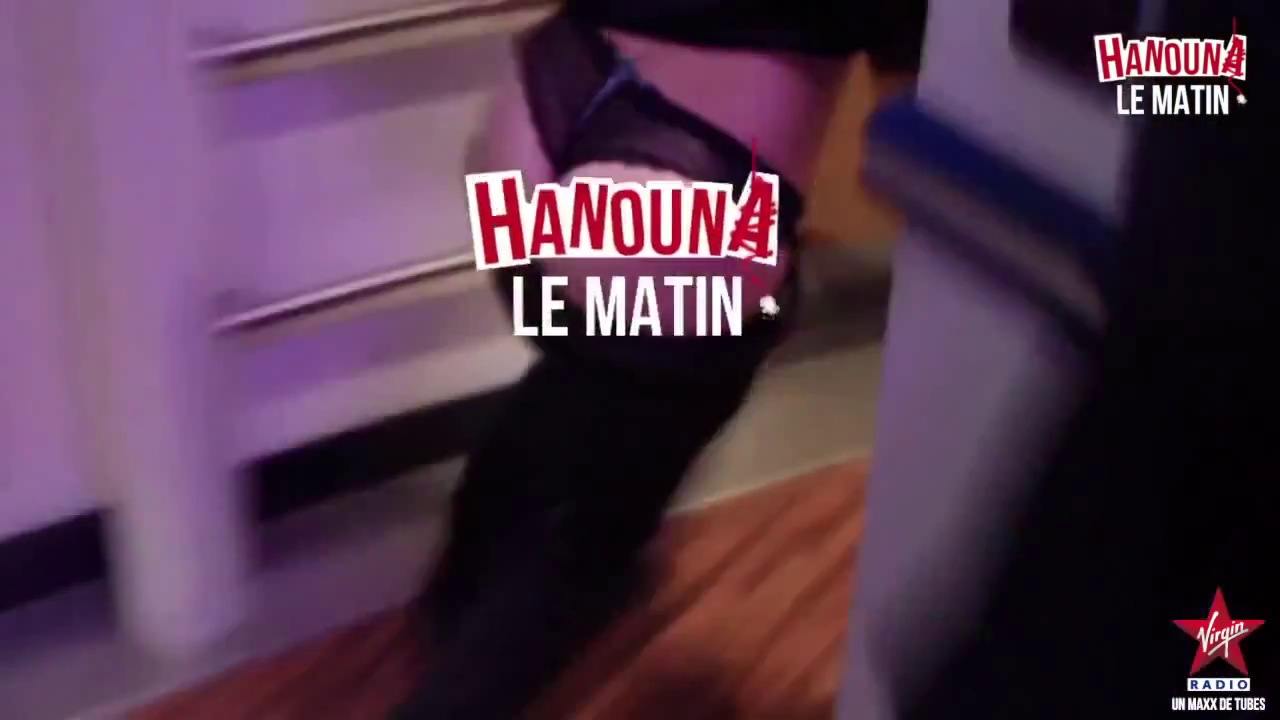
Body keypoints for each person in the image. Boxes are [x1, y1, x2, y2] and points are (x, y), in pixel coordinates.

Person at [393, 2, 927, 717]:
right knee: (586, 547)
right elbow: (905, 155)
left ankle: (459, 592)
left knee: (584, 374)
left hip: (525, 145)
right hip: (666, 209)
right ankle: (490, 641)